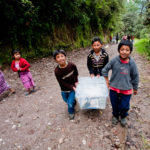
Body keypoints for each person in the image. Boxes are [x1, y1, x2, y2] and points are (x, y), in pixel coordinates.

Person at [102, 40, 139, 127]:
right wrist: (107, 81)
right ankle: (115, 115)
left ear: (130, 51)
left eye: (127, 50)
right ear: (119, 50)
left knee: (124, 105)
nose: (124, 52)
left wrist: (135, 88)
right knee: (114, 104)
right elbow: (104, 70)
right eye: (122, 49)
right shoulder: (114, 60)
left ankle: (123, 116)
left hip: (126, 89)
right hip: (114, 88)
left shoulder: (132, 63)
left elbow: (135, 76)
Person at [53, 49, 78, 120]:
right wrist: (71, 87)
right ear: (55, 60)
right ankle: (73, 101)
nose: (60, 58)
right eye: (58, 57)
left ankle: (71, 112)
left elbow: (76, 73)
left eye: (62, 56)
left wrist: (76, 82)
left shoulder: (72, 65)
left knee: (69, 103)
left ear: (65, 56)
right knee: (66, 100)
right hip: (64, 89)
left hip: (73, 88)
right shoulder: (57, 71)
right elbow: (61, 82)